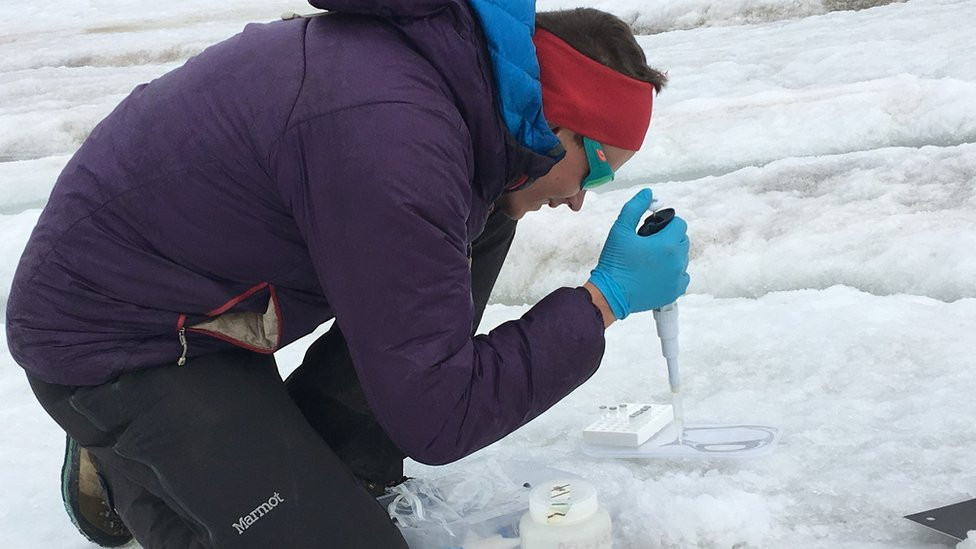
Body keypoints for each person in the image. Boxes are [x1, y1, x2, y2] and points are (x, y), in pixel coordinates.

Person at [5, 0, 690, 547]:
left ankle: (340, 458)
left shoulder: (452, 97)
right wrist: (603, 301)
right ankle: (129, 462)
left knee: (488, 212)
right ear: (557, 119)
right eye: (594, 167)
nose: (578, 197)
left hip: (192, 287)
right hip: (115, 337)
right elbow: (440, 416)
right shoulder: (398, 143)